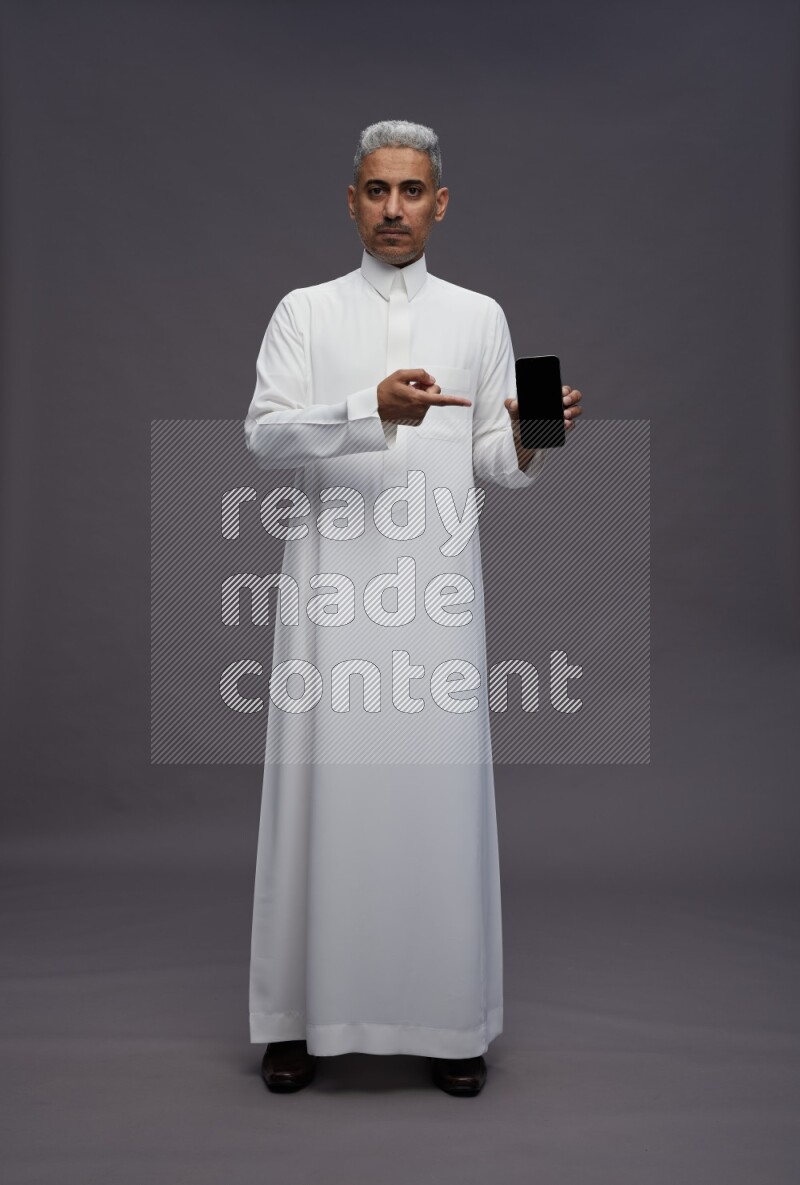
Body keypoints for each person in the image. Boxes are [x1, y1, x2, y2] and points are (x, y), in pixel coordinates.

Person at [244, 119, 583, 1096]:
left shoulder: (478, 318)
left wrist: (528, 440)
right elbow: (264, 436)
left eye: (410, 191)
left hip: (434, 602)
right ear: (350, 200)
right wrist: (368, 411)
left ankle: (447, 1024)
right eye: (375, 190)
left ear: (439, 203)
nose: (393, 208)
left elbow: (493, 464)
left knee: (434, 802)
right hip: (328, 594)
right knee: (320, 794)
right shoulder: (304, 314)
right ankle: (297, 1020)